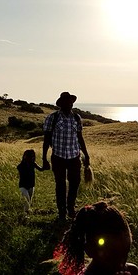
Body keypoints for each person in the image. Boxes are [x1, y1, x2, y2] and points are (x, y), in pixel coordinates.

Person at [53, 201, 138, 275]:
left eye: (123, 254)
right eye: (113, 254)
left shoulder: (132, 271)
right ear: (89, 250)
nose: (121, 264)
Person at [42, 92, 90, 220]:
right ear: (60, 104)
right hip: (58, 157)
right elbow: (46, 139)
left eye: (70, 102)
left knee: (75, 183)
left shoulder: (76, 118)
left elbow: (80, 137)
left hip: (74, 156)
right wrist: (44, 158)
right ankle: (61, 212)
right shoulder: (53, 118)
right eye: (66, 102)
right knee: (60, 185)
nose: (69, 104)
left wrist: (86, 154)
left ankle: (71, 208)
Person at [17, 149, 44, 213]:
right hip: (23, 185)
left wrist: (45, 166)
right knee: (26, 199)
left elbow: (40, 169)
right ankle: (25, 213)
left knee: (29, 200)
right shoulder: (21, 166)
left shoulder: (33, 164)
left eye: (33, 156)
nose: (32, 158)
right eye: (31, 156)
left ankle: (26, 212)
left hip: (31, 185)